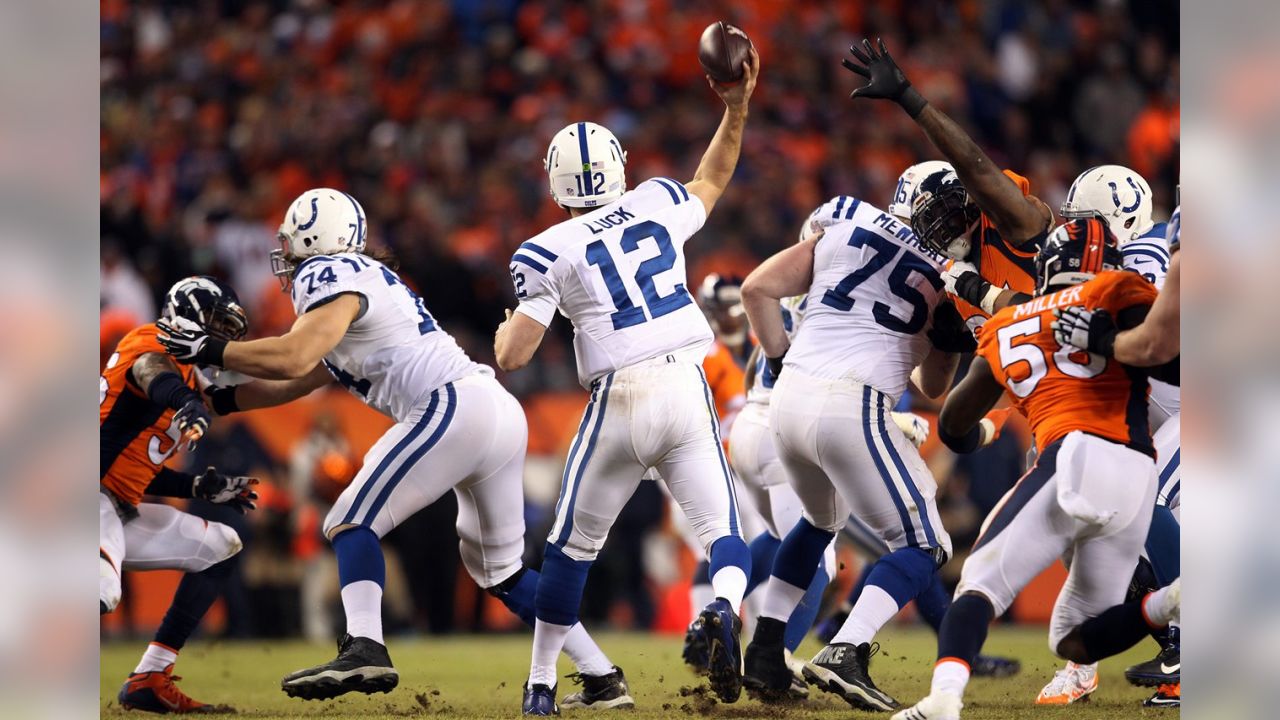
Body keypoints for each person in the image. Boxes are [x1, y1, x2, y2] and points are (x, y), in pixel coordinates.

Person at [157, 189, 629, 709]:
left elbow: (293, 357)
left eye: (292, 244)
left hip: (453, 407)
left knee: (349, 519)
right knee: (504, 572)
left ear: (317, 240)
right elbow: (300, 379)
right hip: (491, 411)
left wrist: (210, 349)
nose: (287, 259)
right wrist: (213, 399)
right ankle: (602, 676)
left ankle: (364, 644)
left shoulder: (328, 274)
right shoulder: (360, 284)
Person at [493, 48, 760, 714]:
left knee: (567, 552)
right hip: (686, 385)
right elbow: (713, 177)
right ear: (619, 167)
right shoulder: (658, 201)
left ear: (554, 184)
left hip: (618, 398)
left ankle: (542, 685)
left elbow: (516, 355)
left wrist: (505, 330)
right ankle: (724, 608)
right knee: (724, 534)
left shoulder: (544, 249)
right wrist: (736, 107)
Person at [891, 218, 1180, 720]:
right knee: (1074, 641)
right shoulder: (1124, 289)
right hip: (1137, 477)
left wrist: (981, 431)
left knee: (978, 584)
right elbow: (1175, 359)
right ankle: (1172, 599)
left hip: (1074, 454)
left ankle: (943, 699)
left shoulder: (1012, 321)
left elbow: (956, 424)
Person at [737, 192, 991, 711]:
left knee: (816, 522)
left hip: (784, 402)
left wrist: (781, 361)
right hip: (852, 403)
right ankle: (846, 649)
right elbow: (935, 386)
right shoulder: (953, 279)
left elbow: (756, 288)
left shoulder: (843, 221)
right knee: (926, 544)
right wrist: (944, 337)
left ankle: (764, 651)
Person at [1027, 168, 1180, 706]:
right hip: (1155, 406)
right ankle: (1086, 660)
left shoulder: (1145, 255)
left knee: (1145, 504)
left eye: (1090, 222)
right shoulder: (1122, 255)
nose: (1081, 234)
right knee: (1078, 503)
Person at [102, 276, 259, 714]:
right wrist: (187, 403)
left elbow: (130, 472)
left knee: (220, 546)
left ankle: (150, 677)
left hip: (113, 505)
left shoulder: (188, 376)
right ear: (184, 315)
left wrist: (195, 487)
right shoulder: (149, 341)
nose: (221, 336)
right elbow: (151, 370)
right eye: (213, 323)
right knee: (101, 590)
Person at [842, 38, 1055, 330]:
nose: (941, 225)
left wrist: (908, 97)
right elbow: (990, 359)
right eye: (928, 219)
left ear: (968, 195)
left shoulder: (1011, 223)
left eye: (945, 209)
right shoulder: (952, 279)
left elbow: (973, 163)